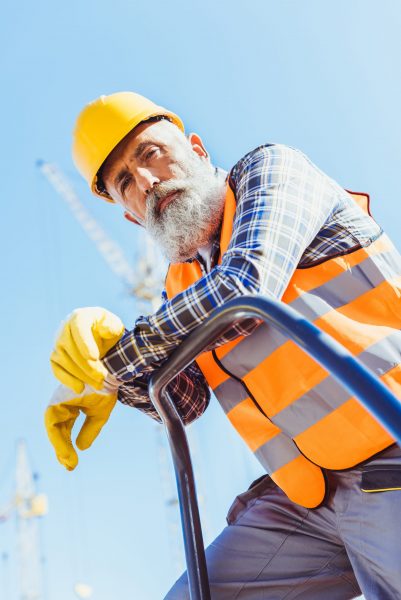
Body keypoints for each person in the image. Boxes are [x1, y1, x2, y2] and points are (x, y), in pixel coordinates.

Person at [45, 91, 401, 599]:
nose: (147, 182)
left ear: (196, 148)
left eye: (150, 153)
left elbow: (245, 286)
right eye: (125, 181)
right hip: (308, 496)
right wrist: (108, 375)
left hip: (388, 451)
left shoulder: (272, 170)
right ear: (129, 215)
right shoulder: (180, 284)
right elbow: (184, 401)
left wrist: (126, 350)